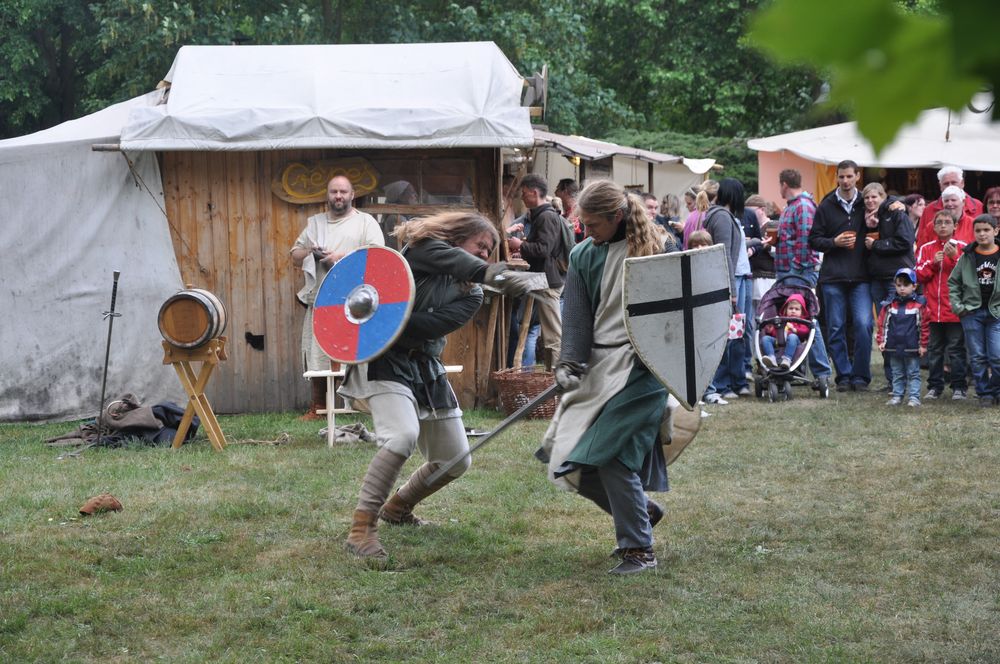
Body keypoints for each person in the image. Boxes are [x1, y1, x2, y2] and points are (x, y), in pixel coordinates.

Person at [340, 211, 524, 559]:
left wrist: (394, 316)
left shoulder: (471, 294)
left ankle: (397, 507)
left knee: (455, 459)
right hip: (385, 358)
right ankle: (361, 529)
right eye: (480, 246)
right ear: (457, 238)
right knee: (402, 436)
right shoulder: (423, 250)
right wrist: (484, 271)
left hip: (425, 366)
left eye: (489, 252)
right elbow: (448, 263)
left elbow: (428, 326)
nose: (485, 254)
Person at [539, 179, 669, 575]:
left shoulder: (654, 250)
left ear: (617, 217)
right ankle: (640, 512)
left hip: (642, 370)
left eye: (593, 224)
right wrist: (569, 363)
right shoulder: (583, 255)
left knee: (611, 458)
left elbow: (673, 320)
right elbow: (577, 317)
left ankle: (638, 549)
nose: (586, 231)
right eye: (583, 223)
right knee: (561, 456)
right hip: (599, 368)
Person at [290, 175, 385, 419]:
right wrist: (311, 250)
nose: (338, 196)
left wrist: (340, 256)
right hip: (323, 298)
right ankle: (319, 407)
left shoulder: (366, 223)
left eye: (343, 192)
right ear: (328, 195)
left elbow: (377, 253)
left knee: (355, 353)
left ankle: (358, 405)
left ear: (352, 195)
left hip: (357, 301)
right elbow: (295, 255)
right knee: (318, 350)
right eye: (334, 192)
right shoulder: (316, 224)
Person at [809, 160, 873, 392]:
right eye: (841, 177)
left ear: (857, 176)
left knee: (864, 324)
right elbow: (813, 240)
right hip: (833, 277)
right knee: (835, 327)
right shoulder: (826, 205)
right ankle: (844, 375)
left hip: (861, 276)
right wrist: (833, 242)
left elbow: (888, 201)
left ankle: (861, 376)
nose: (845, 181)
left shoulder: (867, 203)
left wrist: (895, 204)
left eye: (849, 176)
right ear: (836, 177)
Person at [700, 178, 751, 403]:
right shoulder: (721, 216)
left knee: (736, 333)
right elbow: (724, 256)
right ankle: (722, 383)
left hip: (736, 279)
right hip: (729, 282)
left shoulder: (724, 216)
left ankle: (736, 381)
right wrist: (730, 290)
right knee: (727, 334)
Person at [507, 174, 565, 368]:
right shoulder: (542, 215)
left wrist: (520, 245)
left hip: (548, 281)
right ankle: (551, 377)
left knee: (553, 335)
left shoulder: (546, 216)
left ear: (534, 192)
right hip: (543, 279)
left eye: (524, 194)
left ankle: (556, 380)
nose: (522, 198)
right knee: (548, 333)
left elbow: (543, 249)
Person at [862, 182, 916, 388]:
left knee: (900, 327)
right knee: (884, 327)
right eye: (867, 198)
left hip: (897, 278)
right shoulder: (868, 219)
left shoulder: (896, 214)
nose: (870, 201)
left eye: (874, 197)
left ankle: (904, 379)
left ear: (884, 197)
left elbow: (904, 241)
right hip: (877, 278)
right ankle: (892, 379)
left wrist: (876, 244)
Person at [948, 214, 1000, 407]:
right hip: (972, 313)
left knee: (997, 356)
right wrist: (959, 307)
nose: (982, 234)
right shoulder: (967, 255)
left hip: (996, 314)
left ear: (995, 231)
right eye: (978, 230)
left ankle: (997, 389)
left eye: (986, 230)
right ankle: (985, 393)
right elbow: (953, 282)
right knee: (977, 356)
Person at [915, 209, 968, 400]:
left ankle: (959, 387)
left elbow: (969, 276)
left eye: (947, 222)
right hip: (933, 310)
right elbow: (918, 275)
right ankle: (935, 386)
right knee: (934, 350)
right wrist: (932, 263)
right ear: (933, 226)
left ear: (955, 226)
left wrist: (954, 257)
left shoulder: (964, 247)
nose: (943, 225)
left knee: (956, 349)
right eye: (939, 222)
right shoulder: (926, 248)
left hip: (954, 310)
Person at [876, 268, 929, 407]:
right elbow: (882, 324)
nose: (902, 289)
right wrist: (881, 341)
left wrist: (923, 345)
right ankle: (897, 396)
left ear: (914, 286)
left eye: (906, 285)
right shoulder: (889, 306)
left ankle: (914, 397)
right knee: (897, 372)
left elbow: (924, 326)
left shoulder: (919, 305)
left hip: (912, 346)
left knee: (913, 373)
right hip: (893, 346)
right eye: (899, 285)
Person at [916, 166, 983, 248]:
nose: (950, 186)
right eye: (946, 183)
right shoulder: (929, 210)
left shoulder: (978, 206)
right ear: (940, 186)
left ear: (962, 183)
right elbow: (921, 243)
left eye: (954, 182)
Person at [760, 293, 810, 370]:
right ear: (786, 309)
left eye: (796, 309)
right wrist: (771, 330)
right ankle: (771, 357)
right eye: (791, 308)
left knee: (792, 336)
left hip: (795, 343)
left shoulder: (801, 321)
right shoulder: (781, 319)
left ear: (802, 312)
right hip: (779, 341)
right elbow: (776, 333)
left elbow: (806, 331)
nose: (793, 311)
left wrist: (794, 329)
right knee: (765, 339)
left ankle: (787, 359)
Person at [682, 180, 718, 248]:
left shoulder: (692, 217)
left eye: (689, 203)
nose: (686, 206)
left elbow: (686, 245)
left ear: (697, 200)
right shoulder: (713, 214)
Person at [554, 178, 582, 243]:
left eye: (557, 189)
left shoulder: (576, 213)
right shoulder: (567, 213)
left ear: (565, 192)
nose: (555, 192)